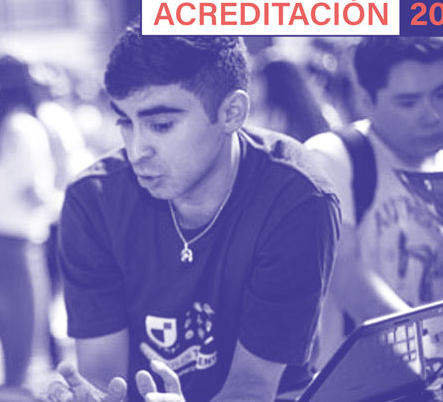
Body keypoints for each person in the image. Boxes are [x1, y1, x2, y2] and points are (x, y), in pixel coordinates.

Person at [47, 26, 340, 402]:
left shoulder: (297, 197)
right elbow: (103, 374)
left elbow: (253, 386)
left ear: (231, 112)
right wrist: (94, 397)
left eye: (161, 125)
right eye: (125, 122)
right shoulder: (93, 199)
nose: (137, 150)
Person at [305, 37, 443, 369]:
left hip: (442, 382)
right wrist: (431, 353)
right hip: (359, 383)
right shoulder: (333, 157)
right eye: (409, 102)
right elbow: (344, 272)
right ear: (366, 100)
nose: (432, 115)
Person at [0, 54, 60, 387]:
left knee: (12, 360)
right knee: (26, 359)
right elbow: (34, 191)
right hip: (15, 250)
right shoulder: (25, 127)